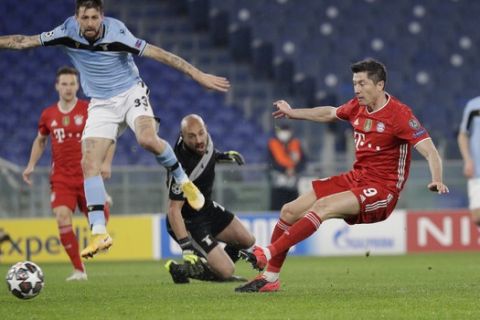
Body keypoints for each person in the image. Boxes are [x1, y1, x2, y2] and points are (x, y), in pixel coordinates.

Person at [0, 0, 230, 259]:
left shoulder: (118, 34)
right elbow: (23, 41)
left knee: (146, 139)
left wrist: (196, 74)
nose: (89, 23)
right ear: (76, 18)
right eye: (84, 17)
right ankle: (99, 233)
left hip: (131, 93)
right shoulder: (65, 32)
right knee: (88, 163)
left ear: (102, 17)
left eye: (94, 17)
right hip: (101, 104)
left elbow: (161, 54)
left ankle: (184, 181)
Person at [235, 59, 449, 293]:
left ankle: (267, 252)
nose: (357, 89)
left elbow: (430, 150)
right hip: (356, 178)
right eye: (354, 83)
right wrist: (293, 113)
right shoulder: (357, 107)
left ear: (380, 86)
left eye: (363, 83)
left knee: (323, 205)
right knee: (289, 210)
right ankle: (270, 277)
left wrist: (437, 178)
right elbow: (328, 113)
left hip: (383, 189)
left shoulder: (399, 115)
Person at [22, 66, 114, 281]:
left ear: (78, 85)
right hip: (61, 178)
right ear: (57, 86)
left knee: (100, 218)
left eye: (72, 83)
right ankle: (79, 270)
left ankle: (103, 206)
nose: (68, 87)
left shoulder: (88, 109)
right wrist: (31, 165)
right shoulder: (48, 114)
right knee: (62, 216)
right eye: (64, 83)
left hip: (87, 175)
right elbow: (41, 140)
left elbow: (108, 135)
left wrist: (106, 162)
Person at [164, 114, 255, 284]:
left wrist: (222, 156)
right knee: (227, 271)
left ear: (205, 128)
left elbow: (206, 155)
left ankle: (216, 270)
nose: (199, 140)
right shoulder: (181, 168)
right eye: (192, 136)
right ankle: (187, 269)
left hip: (206, 207)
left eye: (201, 133)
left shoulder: (201, 140)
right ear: (182, 137)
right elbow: (173, 209)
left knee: (247, 240)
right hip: (189, 221)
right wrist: (186, 247)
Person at [268, 124, 306, 210]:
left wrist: (294, 170)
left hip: (293, 182)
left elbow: (303, 161)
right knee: (277, 205)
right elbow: (270, 162)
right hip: (278, 182)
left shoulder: (296, 143)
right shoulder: (272, 143)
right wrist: (284, 170)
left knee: (293, 206)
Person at [458, 97, 480, 231]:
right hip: (477, 169)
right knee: (477, 217)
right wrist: (467, 160)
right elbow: (463, 135)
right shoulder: (473, 105)